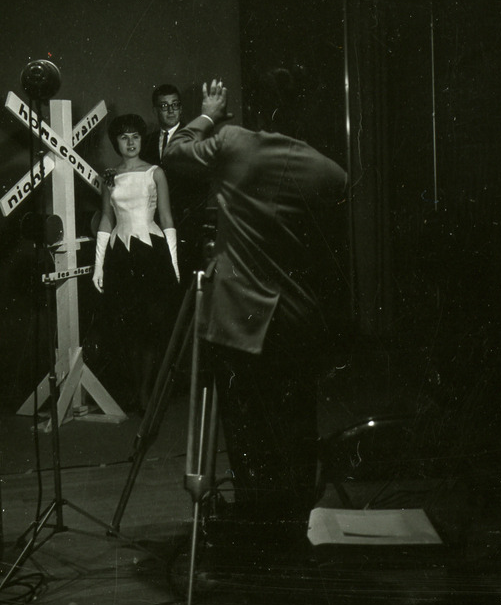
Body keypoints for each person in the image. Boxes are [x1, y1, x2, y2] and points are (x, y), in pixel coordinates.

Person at [164, 76, 348, 537]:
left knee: (247, 428)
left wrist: (208, 111)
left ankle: (256, 525)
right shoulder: (330, 171)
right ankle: (293, 527)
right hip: (298, 319)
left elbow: (174, 150)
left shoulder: (230, 141)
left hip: (241, 318)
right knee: (296, 427)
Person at [92, 114, 180, 411]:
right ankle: (135, 389)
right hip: (120, 255)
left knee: (150, 327)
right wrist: (98, 264)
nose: (130, 142)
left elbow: (166, 217)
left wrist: (174, 262)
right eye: (123, 137)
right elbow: (106, 218)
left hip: (150, 254)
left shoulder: (156, 173)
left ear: (142, 140)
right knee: (126, 328)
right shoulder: (108, 176)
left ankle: (146, 390)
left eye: (136, 137)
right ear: (116, 142)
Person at [145, 84, 211, 284]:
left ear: (181, 108)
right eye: (164, 106)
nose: (171, 110)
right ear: (155, 110)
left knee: (185, 280)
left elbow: (204, 185)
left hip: (187, 224)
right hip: (155, 224)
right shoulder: (146, 142)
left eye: (175, 105)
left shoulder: (196, 139)